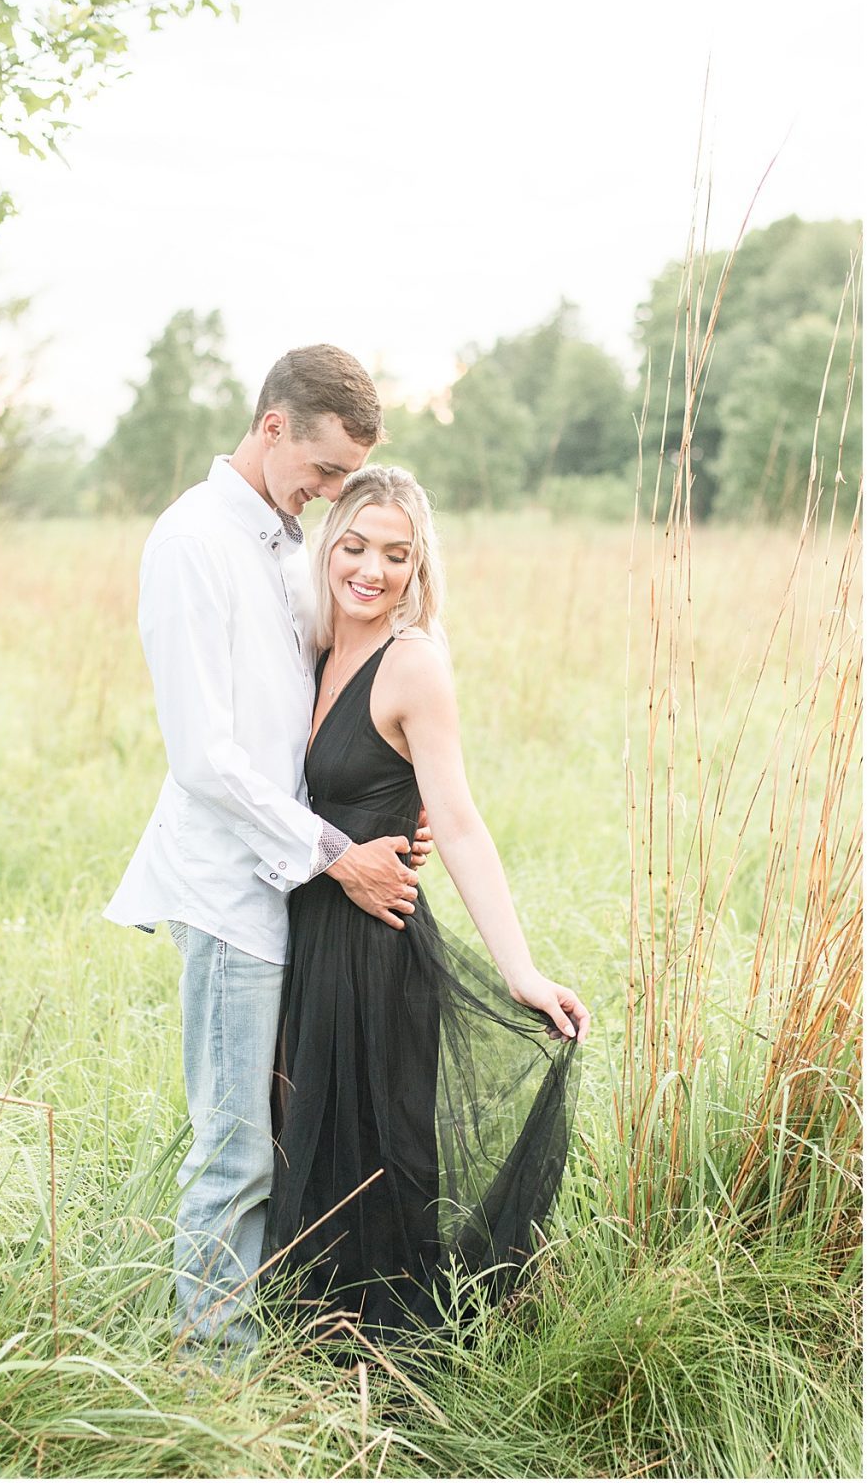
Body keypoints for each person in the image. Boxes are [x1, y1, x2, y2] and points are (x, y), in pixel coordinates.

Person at [103, 346, 431, 1360]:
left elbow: (325, 700)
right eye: (325, 471)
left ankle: (262, 1344)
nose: (330, 495)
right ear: (274, 425)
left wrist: (395, 801)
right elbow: (206, 758)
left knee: (273, 1139)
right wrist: (339, 852)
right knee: (234, 1152)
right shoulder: (192, 542)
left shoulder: (285, 546)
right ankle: (210, 1385)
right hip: (229, 890)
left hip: (287, 889)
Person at [264, 465, 590, 1342]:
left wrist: (520, 970)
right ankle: (301, 1363)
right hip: (304, 937)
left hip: (374, 952)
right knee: (297, 1147)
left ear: (419, 567)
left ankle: (387, 1375)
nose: (371, 570)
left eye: (396, 556)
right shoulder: (320, 646)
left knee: (374, 1165)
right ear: (329, 544)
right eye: (357, 546)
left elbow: (460, 823)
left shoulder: (411, 665)